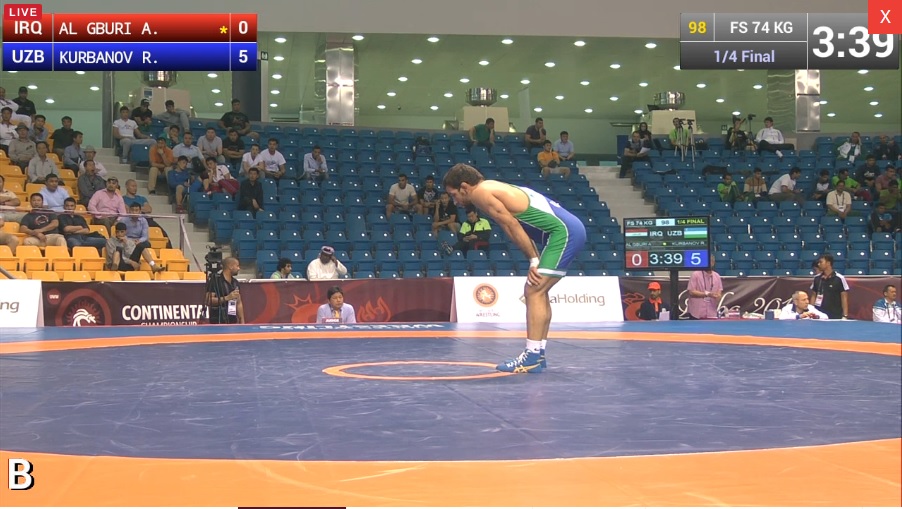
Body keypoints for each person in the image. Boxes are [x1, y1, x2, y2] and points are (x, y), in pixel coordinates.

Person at [443, 163, 587, 373]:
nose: (455, 201)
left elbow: (510, 225)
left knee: (534, 290)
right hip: (565, 230)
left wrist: (533, 260)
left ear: (464, 187)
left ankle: (532, 357)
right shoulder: (492, 186)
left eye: (454, 195)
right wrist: (535, 257)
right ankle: (538, 353)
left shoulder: (480, 193)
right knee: (539, 291)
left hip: (564, 233)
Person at [809, 254, 850, 319]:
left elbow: (844, 297)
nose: (819, 264)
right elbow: (814, 295)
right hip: (819, 314)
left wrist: (845, 315)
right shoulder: (816, 278)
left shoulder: (839, 278)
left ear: (828, 263)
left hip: (835, 315)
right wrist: (811, 311)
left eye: (821, 262)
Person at [205, 256, 244, 324]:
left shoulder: (235, 282)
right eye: (237, 266)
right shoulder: (215, 281)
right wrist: (227, 298)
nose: (239, 268)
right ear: (230, 266)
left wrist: (242, 322)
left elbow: (239, 303)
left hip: (232, 321)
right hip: (218, 321)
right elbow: (208, 300)